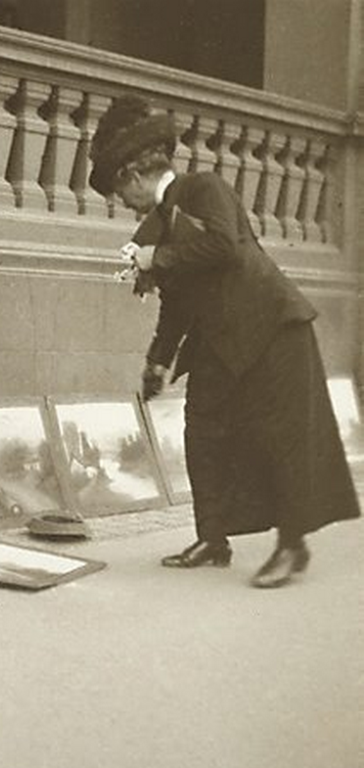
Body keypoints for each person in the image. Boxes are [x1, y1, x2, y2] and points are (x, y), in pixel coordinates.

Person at [89, 94, 360, 588]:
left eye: (118, 190)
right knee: (202, 431)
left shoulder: (204, 187)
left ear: (133, 175)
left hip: (273, 327)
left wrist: (155, 260)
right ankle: (212, 539)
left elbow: (223, 245)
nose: (120, 202)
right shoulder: (155, 225)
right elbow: (176, 304)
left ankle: (291, 547)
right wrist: (157, 362)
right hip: (221, 340)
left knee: (282, 439)